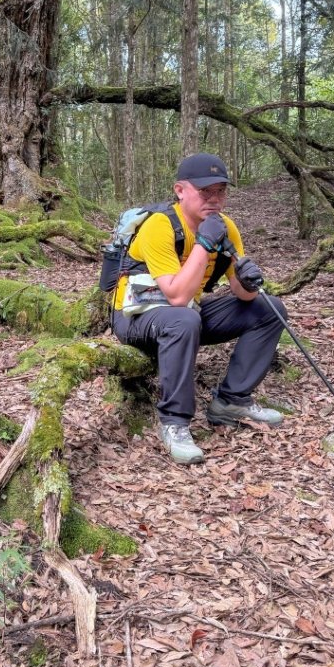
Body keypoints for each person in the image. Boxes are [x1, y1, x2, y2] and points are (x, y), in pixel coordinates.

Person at [111, 152, 288, 464]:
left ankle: (231, 401)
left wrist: (247, 282)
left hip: (187, 311)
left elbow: (242, 297)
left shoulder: (226, 228)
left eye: (221, 191)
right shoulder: (160, 226)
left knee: (268, 308)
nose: (215, 200)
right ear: (181, 190)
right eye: (205, 192)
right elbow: (176, 296)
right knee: (183, 319)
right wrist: (204, 245)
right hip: (135, 315)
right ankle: (174, 422)